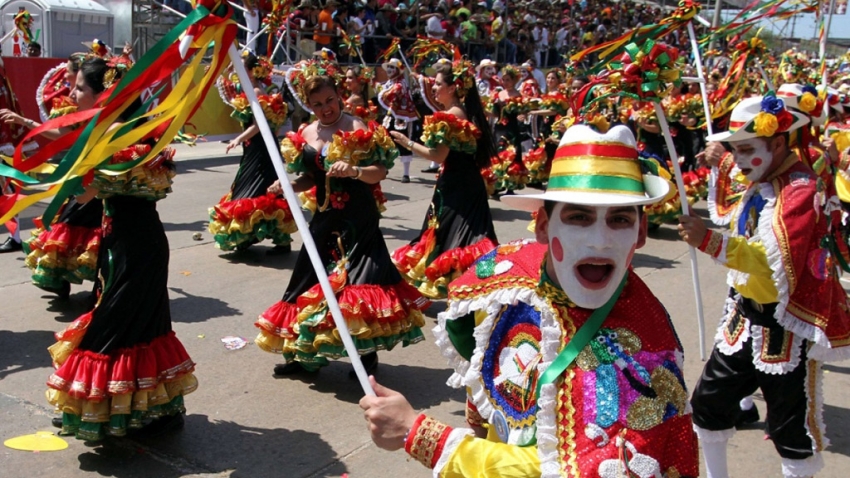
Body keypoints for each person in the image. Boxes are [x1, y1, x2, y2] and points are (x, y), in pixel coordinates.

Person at [362, 123, 699, 477]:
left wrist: (420, 435)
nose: (599, 241)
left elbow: (576, 471)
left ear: (640, 233)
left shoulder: (643, 349)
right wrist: (479, 422)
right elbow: (481, 364)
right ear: (542, 226)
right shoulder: (506, 274)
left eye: (619, 219)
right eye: (579, 217)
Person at [679, 94, 850, 478]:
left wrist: (709, 241)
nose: (738, 161)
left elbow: (774, 262)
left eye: (745, 150)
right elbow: (736, 183)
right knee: (708, 405)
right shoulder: (766, 177)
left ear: (777, 143)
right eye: (734, 150)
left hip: (784, 325)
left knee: (789, 429)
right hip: (743, 319)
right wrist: (720, 158)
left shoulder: (800, 190)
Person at [45, 57, 196, 440]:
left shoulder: (121, 134)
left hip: (134, 247)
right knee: (139, 326)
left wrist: (61, 181)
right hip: (124, 243)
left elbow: (86, 192)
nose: (72, 93)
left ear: (105, 93)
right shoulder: (125, 131)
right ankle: (152, 410)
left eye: (79, 87)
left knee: (116, 327)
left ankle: (117, 408)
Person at [255, 75, 430, 376]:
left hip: (358, 218)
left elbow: (379, 172)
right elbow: (311, 177)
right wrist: (287, 185)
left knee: (358, 286)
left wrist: (355, 170)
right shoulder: (307, 132)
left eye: (330, 101)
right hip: (324, 218)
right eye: (317, 104)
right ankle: (304, 355)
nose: (326, 109)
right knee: (308, 281)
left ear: (339, 96)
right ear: (308, 106)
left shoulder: (357, 128)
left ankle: (365, 356)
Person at [389, 58, 498, 299]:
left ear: (453, 88)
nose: (434, 88)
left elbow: (438, 156)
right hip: (466, 183)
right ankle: (474, 287)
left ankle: (464, 287)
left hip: (457, 186)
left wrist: (406, 142)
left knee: (449, 234)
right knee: (466, 235)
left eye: (438, 84)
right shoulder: (463, 111)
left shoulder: (451, 115)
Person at [208, 52, 295, 253]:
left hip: (260, 146)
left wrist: (238, 138)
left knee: (252, 187)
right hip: (257, 146)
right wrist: (232, 68)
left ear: (252, 71)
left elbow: (259, 124)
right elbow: (227, 82)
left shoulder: (256, 91)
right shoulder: (252, 88)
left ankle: (248, 235)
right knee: (262, 187)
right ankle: (272, 237)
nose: (237, 73)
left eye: (242, 69)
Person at [377, 58, 418, 183]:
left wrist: (380, 89)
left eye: (392, 67)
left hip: (402, 117)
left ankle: (406, 173)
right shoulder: (389, 83)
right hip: (391, 115)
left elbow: (391, 94)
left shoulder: (400, 84)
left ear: (398, 70)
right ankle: (385, 167)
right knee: (385, 141)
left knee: (403, 143)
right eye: (388, 67)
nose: (389, 69)